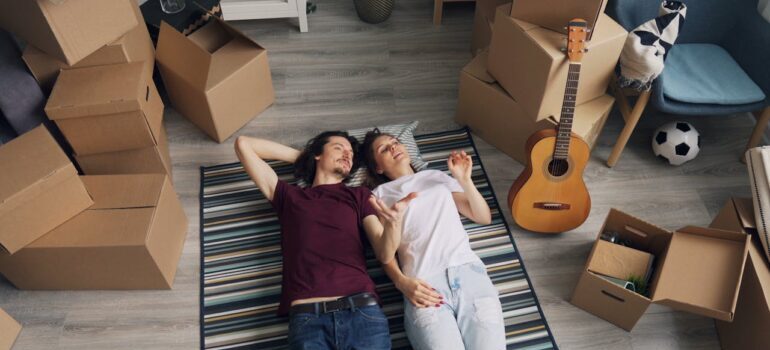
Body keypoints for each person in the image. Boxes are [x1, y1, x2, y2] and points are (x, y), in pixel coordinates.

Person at [235, 131, 415, 350]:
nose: (347, 155)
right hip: (308, 320)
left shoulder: (359, 195)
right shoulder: (290, 196)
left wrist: (393, 223)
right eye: (339, 148)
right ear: (318, 154)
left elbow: (384, 253)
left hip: (362, 313)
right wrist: (305, 157)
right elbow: (244, 145)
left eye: (350, 153)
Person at [361, 129, 506, 350]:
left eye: (395, 142)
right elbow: (385, 253)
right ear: (377, 167)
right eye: (383, 148)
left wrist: (465, 181)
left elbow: (483, 217)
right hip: (424, 283)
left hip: (469, 274)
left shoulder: (437, 177)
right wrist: (401, 282)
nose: (393, 147)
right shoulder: (378, 196)